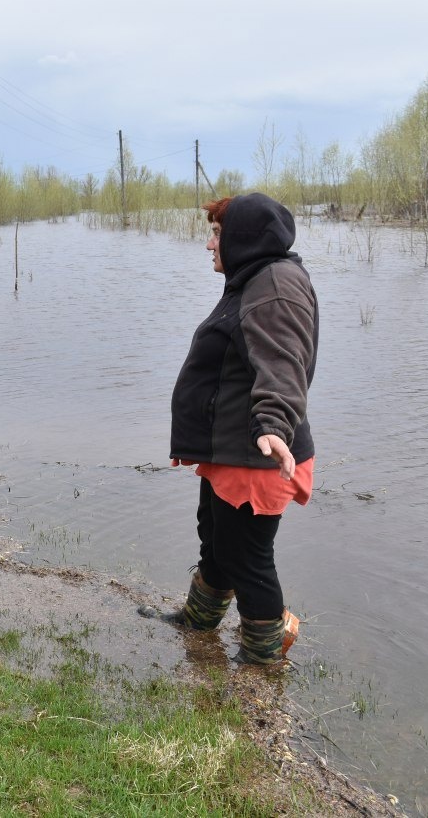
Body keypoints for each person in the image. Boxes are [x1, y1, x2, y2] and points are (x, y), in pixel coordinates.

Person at [140, 192, 318, 665]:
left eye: (217, 233)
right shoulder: (253, 279)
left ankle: (262, 659)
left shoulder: (275, 286)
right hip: (232, 447)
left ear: (241, 237)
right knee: (215, 538)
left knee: (248, 559)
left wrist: (275, 426)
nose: (208, 244)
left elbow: (284, 364)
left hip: (258, 450)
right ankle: (199, 623)